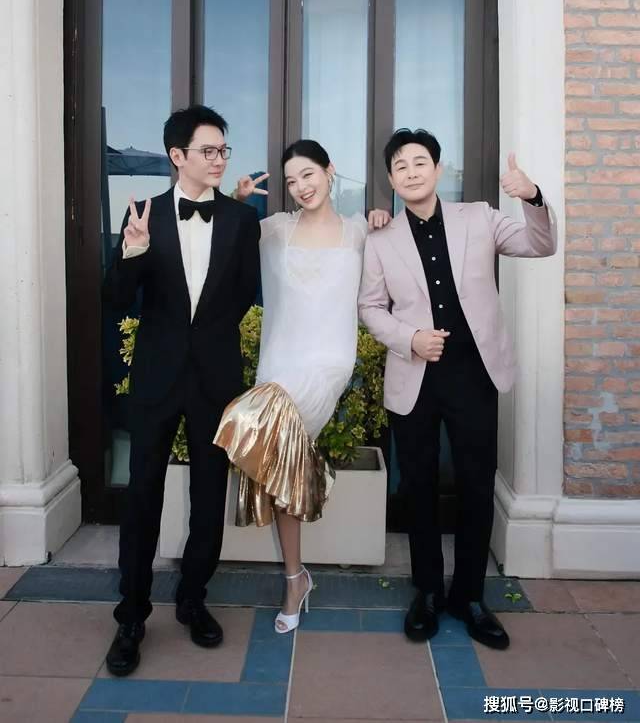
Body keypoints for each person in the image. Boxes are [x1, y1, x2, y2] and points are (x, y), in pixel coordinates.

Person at [358, 129, 557, 650]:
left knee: (474, 486)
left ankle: (469, 597)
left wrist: (533, 196)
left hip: (475, 374)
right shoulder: (380, 239)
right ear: (391, 180)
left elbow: (541, 244)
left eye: (419, 162)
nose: (411, 172)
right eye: (400, 166)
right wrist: (410, 338)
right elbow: (370, 308)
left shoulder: (480, 218)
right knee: (418, 487)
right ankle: (427, 591)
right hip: (415, 377)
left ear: (438, 169)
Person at [102, 106, 260, 676]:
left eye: (223, 150)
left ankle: (193, 598)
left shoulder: (241, 220)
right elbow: (116, 298)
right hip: (157, 377)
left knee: (209, 496)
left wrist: (207, 339)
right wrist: (133, 252)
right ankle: (131, 616)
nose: (219, 160)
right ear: (177, 156)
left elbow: (244, 293)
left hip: (215, 378)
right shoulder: (142, 215)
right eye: (208, 151)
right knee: (142, 495)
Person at [214, 140, 389, 633]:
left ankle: (316, 484)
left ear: (329, 171)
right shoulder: (273, 229)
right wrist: (235, 201)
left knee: (256, 428)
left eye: (308, 174)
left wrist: (383, 219)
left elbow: (398, 260)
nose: (301, 187)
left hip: (328, 364)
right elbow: (219, 238)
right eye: (291, 181)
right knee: (282, 468)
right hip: (278, 364)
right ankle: (296, 578)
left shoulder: (359, 232)